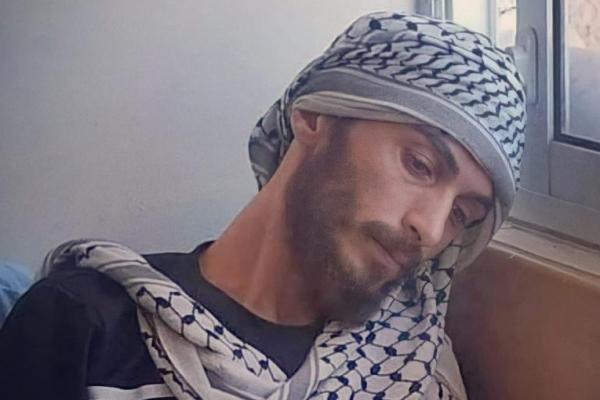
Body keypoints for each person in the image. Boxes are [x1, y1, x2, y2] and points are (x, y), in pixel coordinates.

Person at [0, 11, 526, 400]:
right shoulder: (84, 323)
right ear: (314, 119)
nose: (430, 229)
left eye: (461, 214)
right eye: (419, 165)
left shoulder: (412, 365)